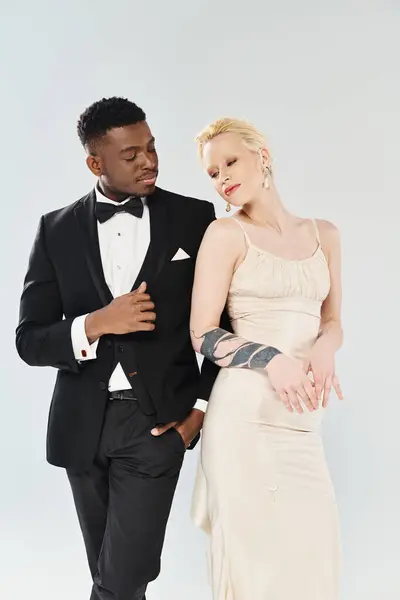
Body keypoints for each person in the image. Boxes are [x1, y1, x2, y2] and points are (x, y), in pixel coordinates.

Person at [15, 97, 224, 600]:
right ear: (95, 162)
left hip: (155, 426)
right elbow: (28, 340)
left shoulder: (195, 218)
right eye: (131, 155)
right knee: (114, 579)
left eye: (151, 148)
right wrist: (94, 324)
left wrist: (198, 412)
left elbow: (225, 327)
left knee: (121, 579)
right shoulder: (55, 229)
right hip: (80, 428)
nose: (149, 161)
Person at [189, 117, 344, 600]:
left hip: (302, 422)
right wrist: (270, 357)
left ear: (263, 155)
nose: (223, 178)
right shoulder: (225, 234)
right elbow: (202, 334)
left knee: (314, 559)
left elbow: (334, 321)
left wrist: (325, 347)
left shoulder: (326, 234)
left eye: (230, 161)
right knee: (256, 570)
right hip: (244, 421)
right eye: (213, 173)